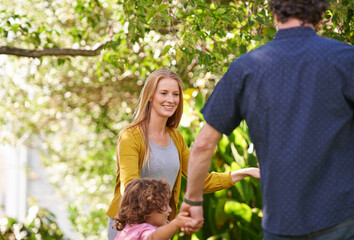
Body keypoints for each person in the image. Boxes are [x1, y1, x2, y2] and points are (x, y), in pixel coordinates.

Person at [181, 0, 354, 239]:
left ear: (273, 13)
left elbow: (202, 145)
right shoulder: (346, 59)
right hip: (342, 219)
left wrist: (193, 200)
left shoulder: (246, 68)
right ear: (322, 14)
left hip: (281, 225)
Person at [106, 68, 260, 239]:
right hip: (130, 227)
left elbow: (199, 179)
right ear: (150, 96)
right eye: (163, 93)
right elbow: (130, 187)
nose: (170, 100)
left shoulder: (176, 138)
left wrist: (245, 172)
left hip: (160, 226)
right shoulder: (131, 137)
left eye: (175, 94)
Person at [114, 178, 192, 240]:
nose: (170, 210)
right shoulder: (143, 230)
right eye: (165, 205)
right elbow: (153, 238)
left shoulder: (128, 228)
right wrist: (176, 223)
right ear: (147, 208)